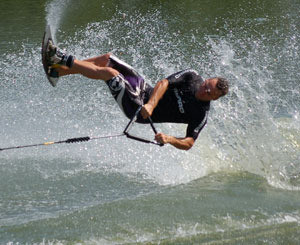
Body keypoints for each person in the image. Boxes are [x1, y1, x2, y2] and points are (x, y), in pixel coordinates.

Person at [46, 42, 229, 150]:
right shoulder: (193, 77)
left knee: (111, 73)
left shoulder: (200, 114)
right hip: (144, 93)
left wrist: (170, 139)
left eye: (208, 93)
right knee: (107, 59)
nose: (204, 89)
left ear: (214, 98)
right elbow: (164, 83)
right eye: (206, 85)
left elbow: (189, 143)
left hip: (136, 111)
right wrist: (151, 104)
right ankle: (58, 72)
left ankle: (62, 58)